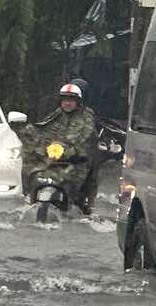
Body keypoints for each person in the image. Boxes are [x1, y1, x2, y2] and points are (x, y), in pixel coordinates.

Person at [23, 80, 100, 213]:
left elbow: (83, 137)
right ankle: (29, 197)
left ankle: (79, 205)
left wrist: (68, 149)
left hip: (77, 161)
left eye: (71, 100)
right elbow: (41, 128)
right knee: (29, 169)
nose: (67, 103)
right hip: (53, 159)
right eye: (64, 99)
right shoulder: (57, 114)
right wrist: (27, 133)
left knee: (78, 190)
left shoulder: (86, 117)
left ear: (78, 102)